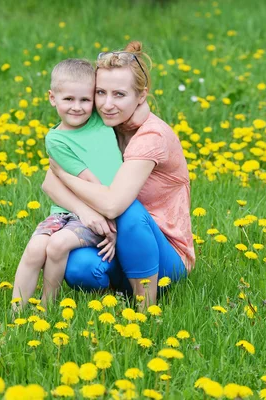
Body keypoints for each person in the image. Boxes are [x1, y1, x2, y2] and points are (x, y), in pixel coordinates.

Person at [44, 41, 195, 308]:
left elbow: (113, 204)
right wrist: (86, 212)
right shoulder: (101, 126)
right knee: (78, 268)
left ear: (141, 96)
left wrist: (63, 175)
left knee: (128, 208)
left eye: (120, 95)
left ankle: (145, 308)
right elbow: (49, 185)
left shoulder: (152, 136)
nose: (107, 104)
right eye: (100, 92)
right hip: (113, 244)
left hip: (165, 257)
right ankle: (117, 297)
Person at [11, 58, 123, 308]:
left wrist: (111, 221)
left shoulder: (99, 119)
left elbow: (96, 189)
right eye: (68, 99)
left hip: (101, 210)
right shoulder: (56, 140)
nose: (77, 107)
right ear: (52, 98)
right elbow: (86, 179)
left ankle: (47, 304)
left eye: (85, 100)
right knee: (35, 248)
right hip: (67, 211)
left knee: (58, 244)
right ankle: (16, 312)